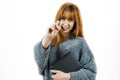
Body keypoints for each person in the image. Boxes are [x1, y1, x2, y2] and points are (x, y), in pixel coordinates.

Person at [34, 2, 97, 80]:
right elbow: (41, 68)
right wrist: (48, 38)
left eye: (70, 20)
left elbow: (91, 72)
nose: (66, 23)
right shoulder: (49, 38)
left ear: (75, 22)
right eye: (63, 19)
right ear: (58, 19)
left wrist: (68, 76)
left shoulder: (80, 42)